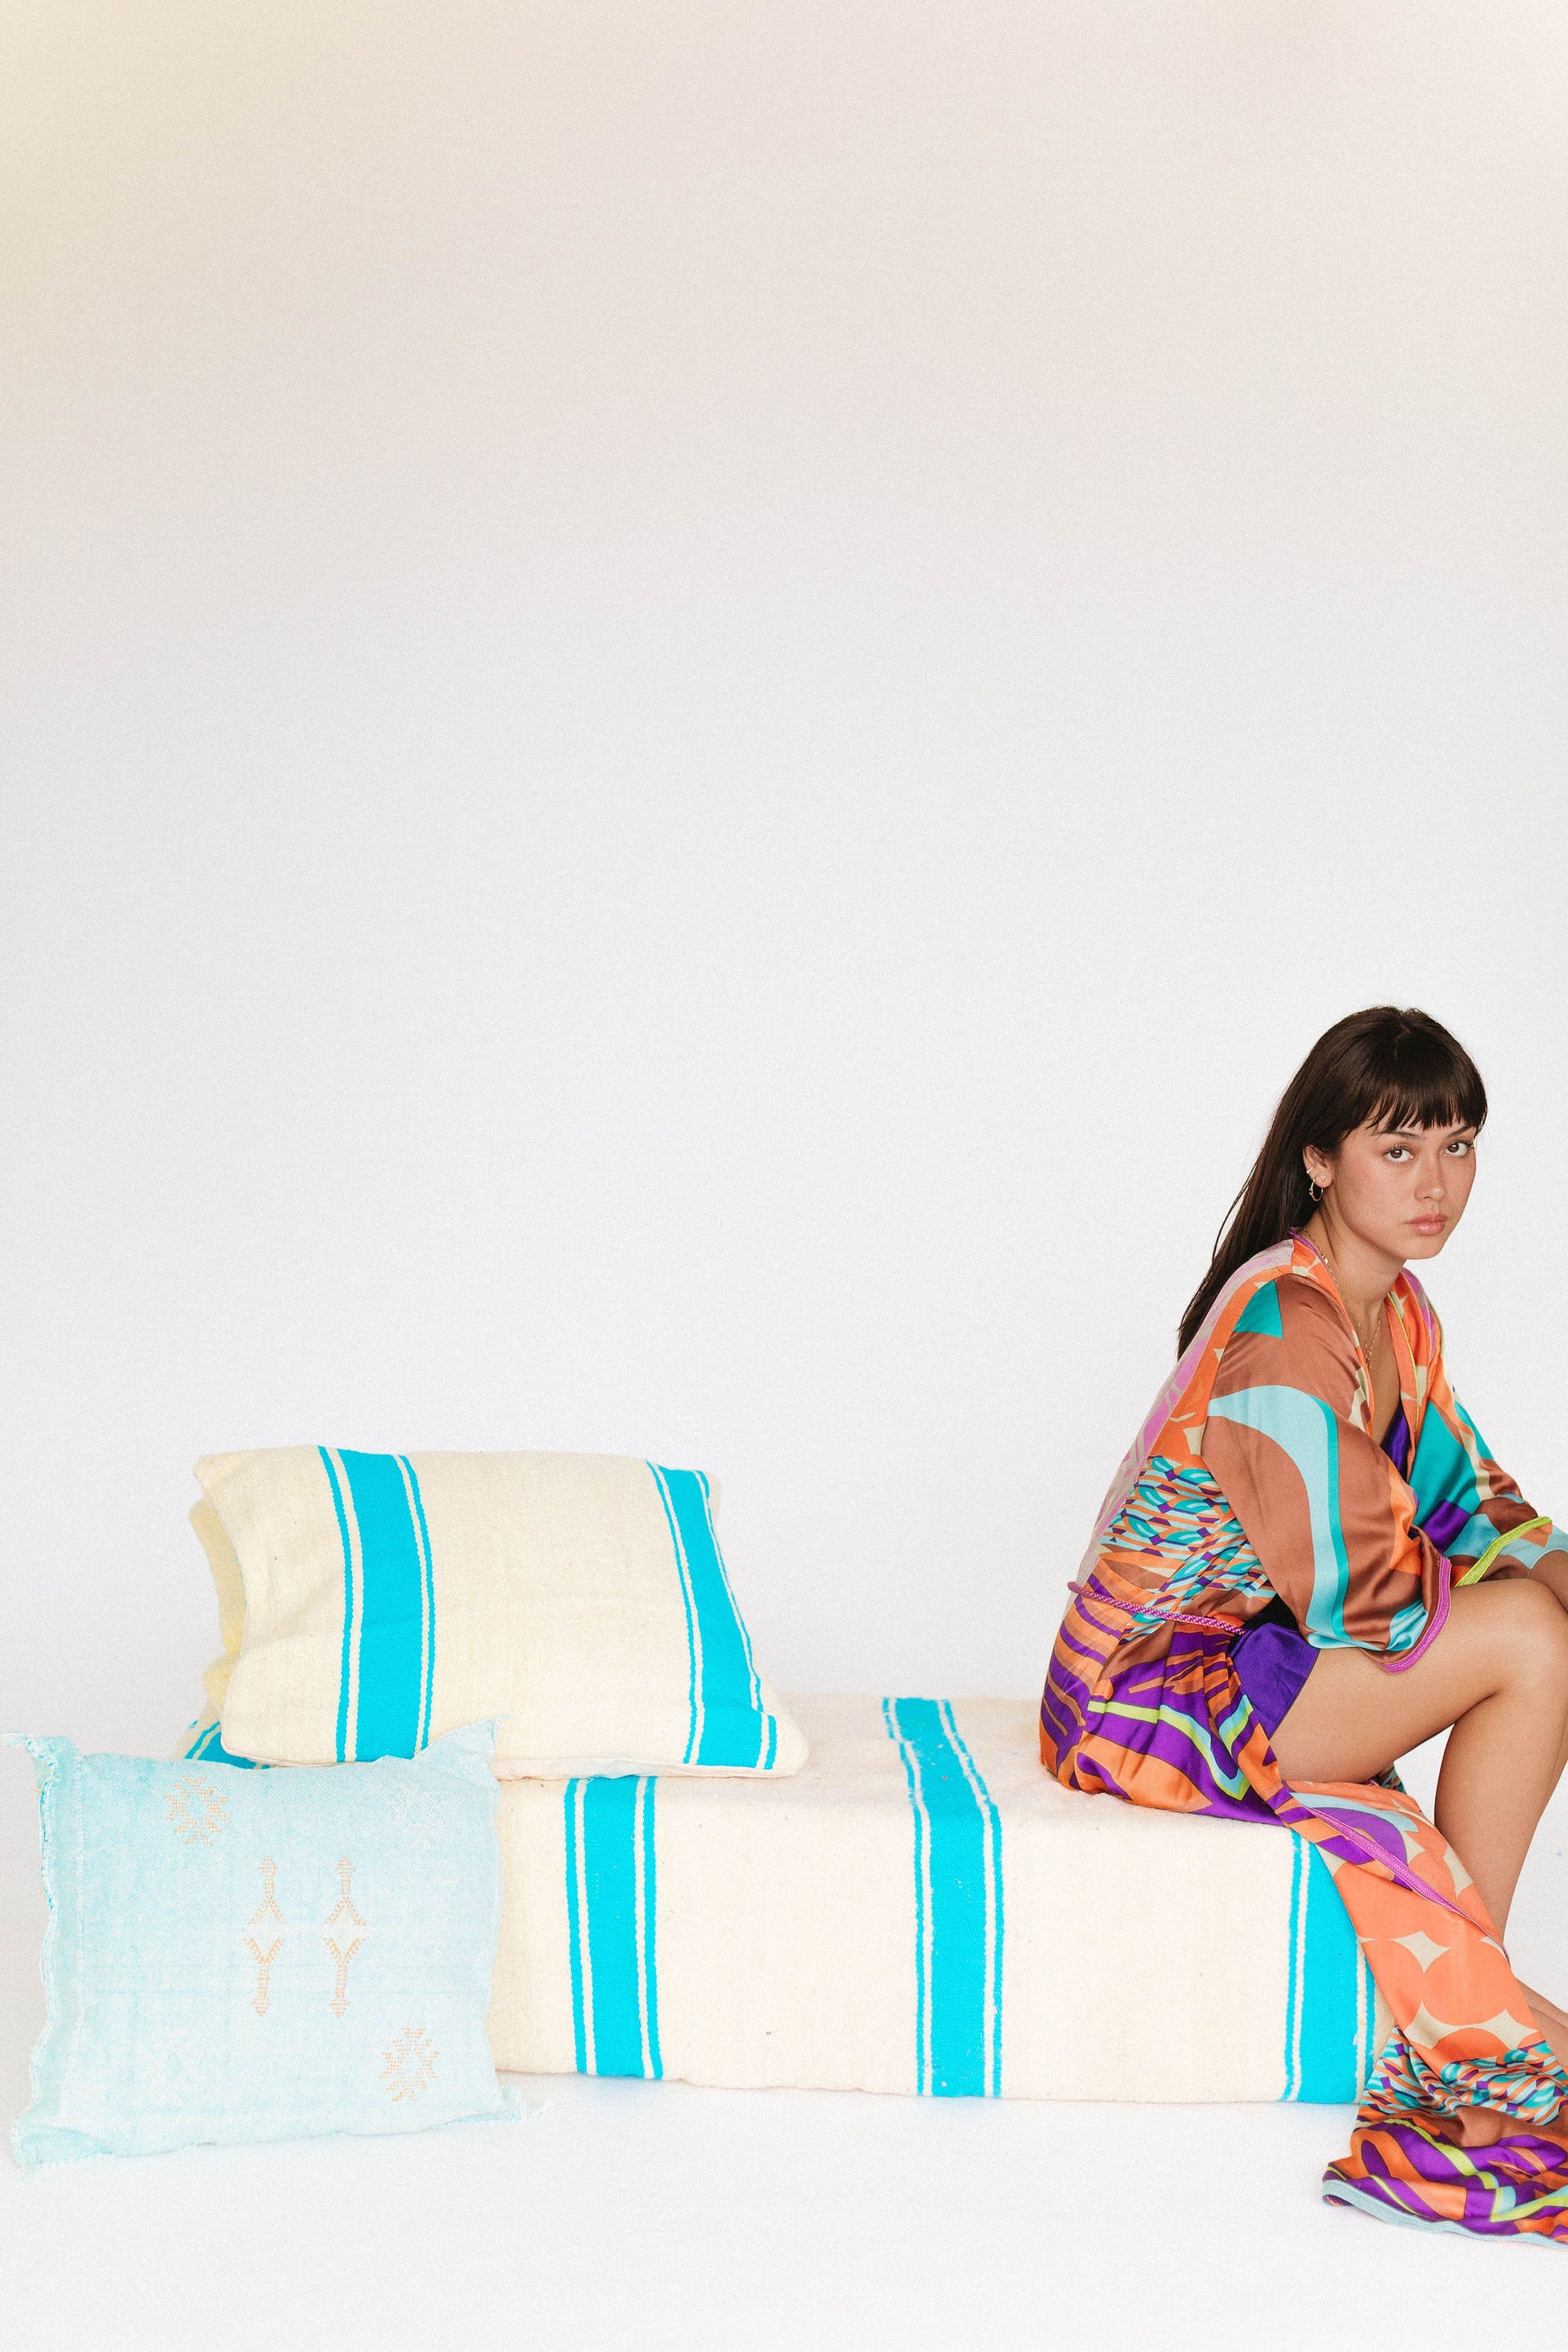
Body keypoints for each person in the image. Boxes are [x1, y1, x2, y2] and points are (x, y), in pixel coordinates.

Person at [1041, 1005, 1568, 2242]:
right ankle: (1463, 2046)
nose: (1435, 1182)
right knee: (1528, 1644)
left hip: (1248, 1667)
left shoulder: (1399, 1313)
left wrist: (1550, 1570)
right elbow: (1362, 1589)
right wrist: (1526, 1605)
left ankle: (1461, 2022)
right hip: (1143, 1696)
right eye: (1397, 1148)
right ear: (1320, 1159)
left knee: (1539, 1621)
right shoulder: (1281, 1321)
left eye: (1457, 1144)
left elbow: (1468, 1499)